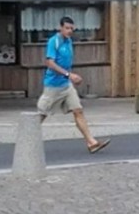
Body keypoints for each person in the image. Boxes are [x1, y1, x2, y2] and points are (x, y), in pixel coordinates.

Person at [36, 16, 109, 154]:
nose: (69, 31)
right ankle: (26, 138)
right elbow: (50, 63)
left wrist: (70, 77)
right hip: (53, 85)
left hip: (66, 85)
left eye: (71, 28)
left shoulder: (69, 41)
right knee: (41, 114)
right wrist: (69, 75)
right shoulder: (54, 41)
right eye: (67, 28)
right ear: (61, 28)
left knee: (78, 110)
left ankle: (91, 142)